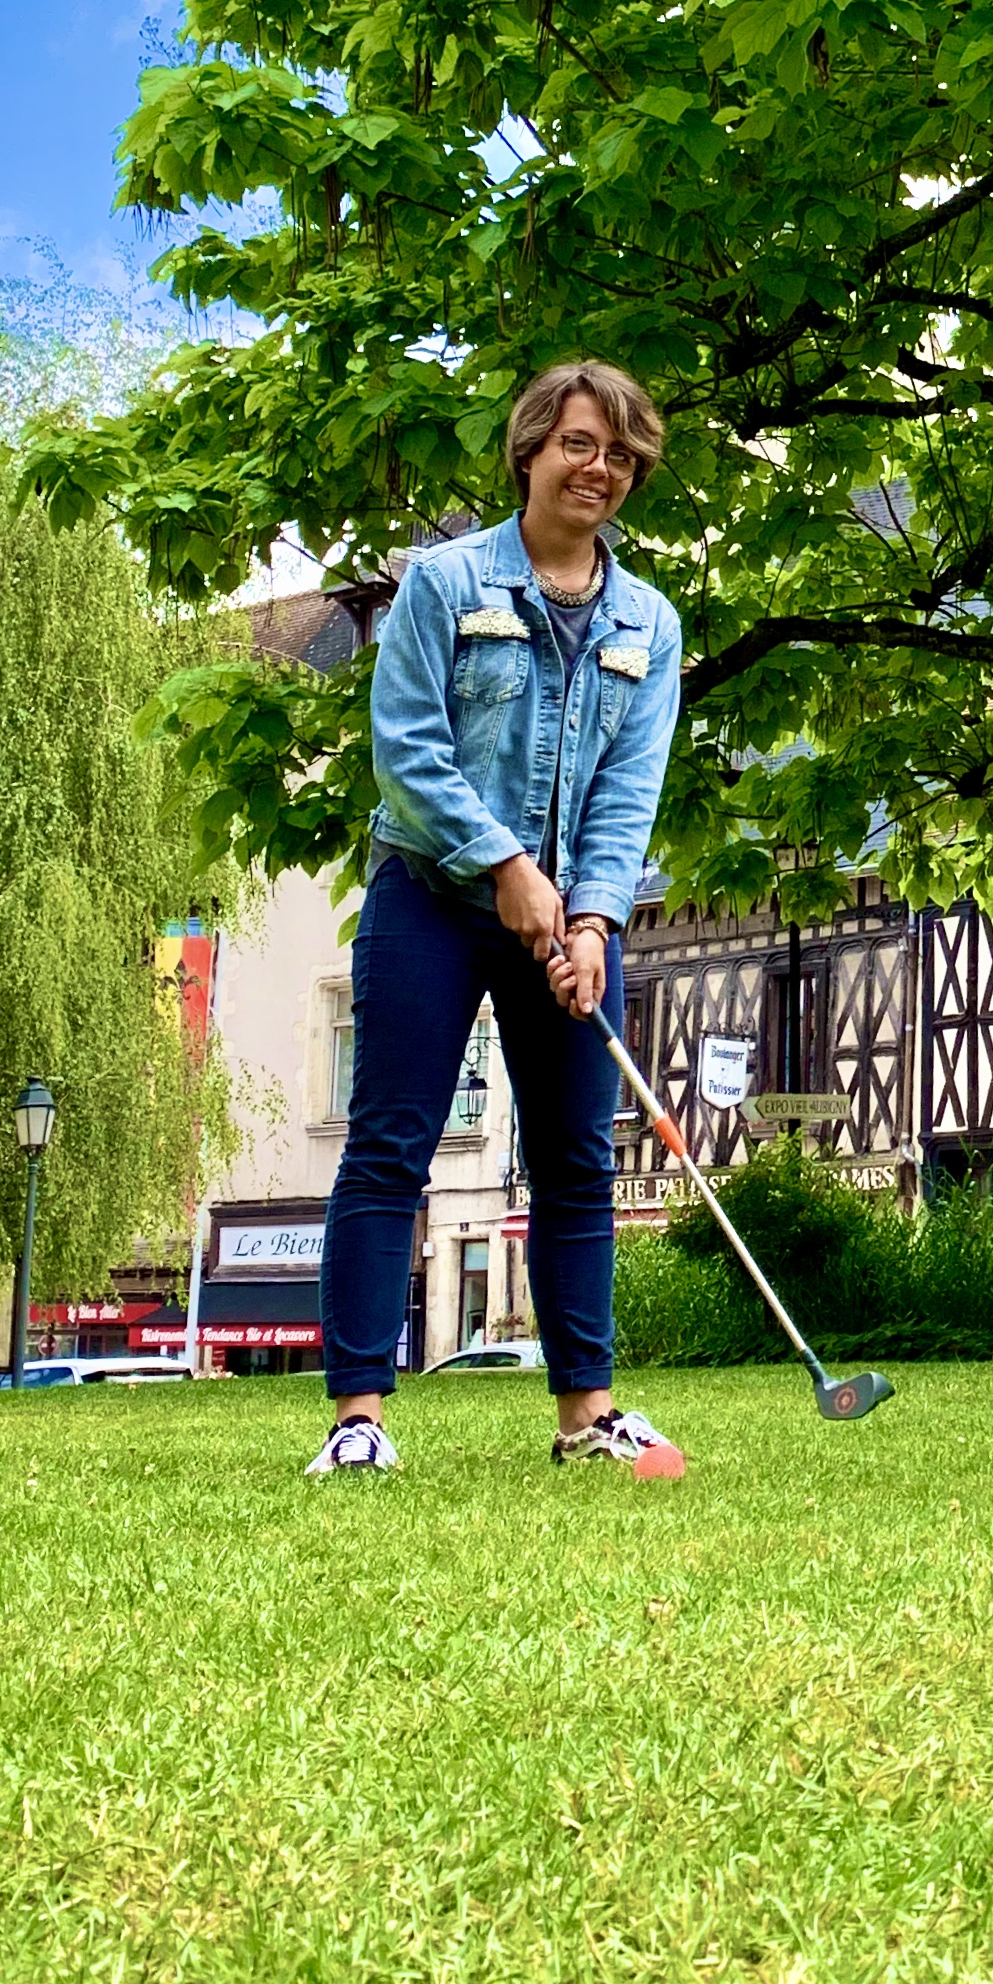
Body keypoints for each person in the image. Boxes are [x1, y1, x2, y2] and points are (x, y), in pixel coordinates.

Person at [305, 360, 686, 1478]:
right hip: (431, 894)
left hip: (570, 927)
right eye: (579, 443)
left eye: (620, 454)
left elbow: (627, 791)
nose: (600, 469)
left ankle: (588, 1418)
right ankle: (359, 1419)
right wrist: (508, 865)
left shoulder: (648, 624)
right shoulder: (442, 583)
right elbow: (409, 754)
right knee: (389, 1151)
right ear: (529, 449)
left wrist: (598, 921)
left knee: (574, 1163)